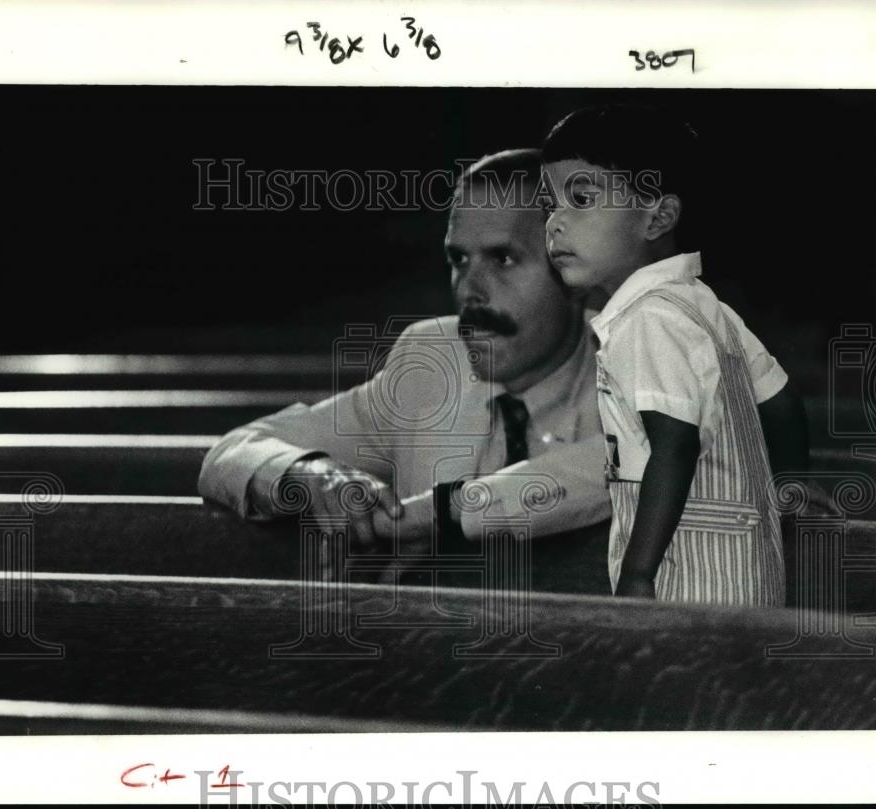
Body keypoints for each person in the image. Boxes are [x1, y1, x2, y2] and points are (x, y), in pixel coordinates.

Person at [198, 149, 611, 553]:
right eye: (459, 259)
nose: (469, 290)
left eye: (503, 258)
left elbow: (623, 469)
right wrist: (311, 473)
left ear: (573, 272)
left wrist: (433, 517)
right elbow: (235, 450)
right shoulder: (429, 365)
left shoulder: (631, 370)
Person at [541, 105, 808, 606]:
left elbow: (675, 446)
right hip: (748, 570)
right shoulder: (704, 305)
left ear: (658, 217)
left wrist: (640, 574)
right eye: (549, 204)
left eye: (580, 198)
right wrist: (788, 497)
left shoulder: (648, 320)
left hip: (686, 578)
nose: (555, 222)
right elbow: (783, 403)